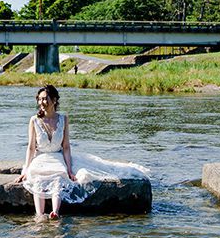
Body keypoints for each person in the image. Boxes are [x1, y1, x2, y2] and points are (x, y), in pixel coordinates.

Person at [15, 84, 148, 222]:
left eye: (45, 99)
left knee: (59, 178)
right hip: (40, 157)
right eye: (40, 99)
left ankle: (55, 212)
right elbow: (31, 147)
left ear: (54, 100)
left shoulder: (63, 119)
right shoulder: (34, 120)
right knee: (38, 179)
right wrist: (26, 169)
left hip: (57, 156)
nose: (42, 102)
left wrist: (70, 169)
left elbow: (66, 147)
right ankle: (40, 215)